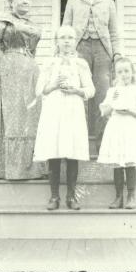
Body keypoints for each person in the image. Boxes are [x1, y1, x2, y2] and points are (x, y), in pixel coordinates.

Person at [0, 0, 46, 180]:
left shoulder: (32, 25)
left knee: (29, 118)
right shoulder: (1, 21)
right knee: (10, 119)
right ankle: (5, 169)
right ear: (11, 2)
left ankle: (29, 169)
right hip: (8, 72)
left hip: (29, 72)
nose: (25, 1)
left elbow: (32, 50)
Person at [33, 26, 95, 210]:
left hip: (73, 109)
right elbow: (39, 90)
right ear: (56, 41)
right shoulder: (49, 63)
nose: (67, 41)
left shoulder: (81, 64)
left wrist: (76, 90)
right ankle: (54, 197)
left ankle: (71, 196)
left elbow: (91, 89)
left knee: (72, 152)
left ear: (75, 41)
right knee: (54, 151)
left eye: (70, 38)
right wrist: (53, 85)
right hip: (54, 109)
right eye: (62, 38)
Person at [62, 0, 121, 148]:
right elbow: (65, 29)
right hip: (79, 49)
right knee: (80, 92)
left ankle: (102, 143)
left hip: (103, 51)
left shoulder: (109, 3)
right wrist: (64, 53)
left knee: (102, 93)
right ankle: (80, 141)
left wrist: (117, 54)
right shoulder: (72, 1)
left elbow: (114, 32)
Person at [97, 57, 136, 209]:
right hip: (116, 127)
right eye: (120, 72)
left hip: (130, 127)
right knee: (117, 163)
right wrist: (112, 102)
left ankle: (131, 196)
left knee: (130, 162)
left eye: (126, 71)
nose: (123, 74)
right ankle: (118, 197)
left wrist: (131, 111)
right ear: (115, 75)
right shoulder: (112, 91)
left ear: (132, 72)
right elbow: (105, 111)